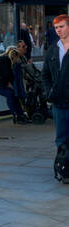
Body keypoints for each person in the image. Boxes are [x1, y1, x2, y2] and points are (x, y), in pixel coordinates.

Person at [43, 14, 69, 157]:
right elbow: (45, 74)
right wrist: (49, 93)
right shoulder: (53, 49)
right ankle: (64, 169)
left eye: (62, 26)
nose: (58, 30)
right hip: (58, 103)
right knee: (61, 138)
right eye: (56, 27)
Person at [0, 47, 28, 122]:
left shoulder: (6, 60)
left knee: (13, 95)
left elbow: (9, 76)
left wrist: (11, 85)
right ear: (14, 56)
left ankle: (20, 114)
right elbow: (6, 76)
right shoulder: (6, 60)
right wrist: (9, 85)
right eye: (17, 58)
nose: (17, 60)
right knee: (10, 94)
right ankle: (16, 115)